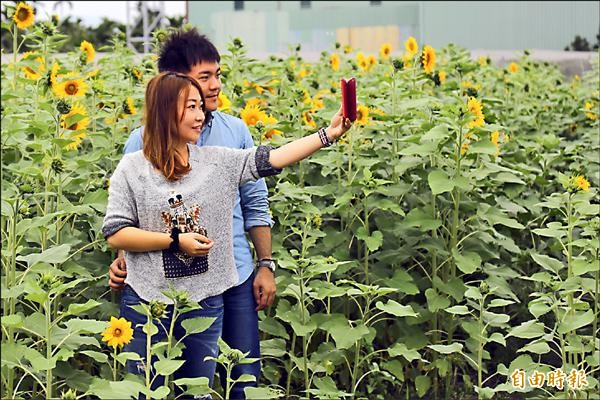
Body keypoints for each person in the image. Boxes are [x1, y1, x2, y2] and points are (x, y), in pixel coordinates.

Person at [102, 72, 352, 397]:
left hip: (205, 299)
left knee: (198, 391)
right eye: (190, 107)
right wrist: (175, 241)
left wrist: (327, 135)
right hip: (147, 300)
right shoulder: (132, 169)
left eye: (199, 106)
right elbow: (116, 233)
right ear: (165, 112)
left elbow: (271, 158)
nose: (200, 115)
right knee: (143, 391)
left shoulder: (216, 163)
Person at [108, 28, 275, 398]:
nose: (214, 86)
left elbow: (255, 202)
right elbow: (129, 214)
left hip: (234, 274)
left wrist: (266, 264)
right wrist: (123, 259)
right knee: (173, 379)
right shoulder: (141, 142)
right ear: (174, 84)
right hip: (172, 284)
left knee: (242, 378)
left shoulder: (234, 131)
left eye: (217, 74)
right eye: (204, 77)